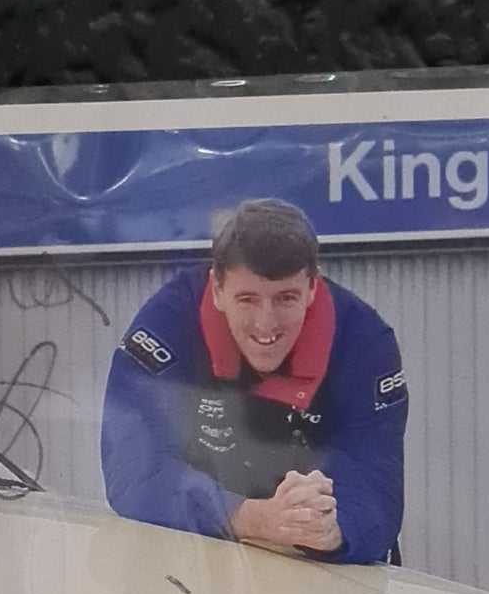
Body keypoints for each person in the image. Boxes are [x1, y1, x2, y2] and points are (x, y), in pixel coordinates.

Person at [100, 198, 408, 565]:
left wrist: (334, 530)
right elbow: (134, 467)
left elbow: (375, 483)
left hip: (318, 565)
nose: (266, 324)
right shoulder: (168, 324)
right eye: (247, 299)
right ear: (217, 290)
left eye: (286, 298)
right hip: (197, 560)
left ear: (312, 288)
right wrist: (247, 517)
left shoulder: (364, 340)